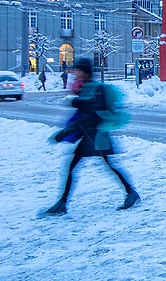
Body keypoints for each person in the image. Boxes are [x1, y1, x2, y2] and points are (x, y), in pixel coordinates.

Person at [41, 57, 138, 216]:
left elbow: (89, 116)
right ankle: (63, 202)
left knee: (103, 165)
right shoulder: (88, 88)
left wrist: (64, 133)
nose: (75, 72)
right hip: (93, 134)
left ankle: (131, 192)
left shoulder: (94, 89)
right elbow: (85, 110)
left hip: (97, 134)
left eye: (78, 70)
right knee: (81, 166)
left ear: (85, 72)